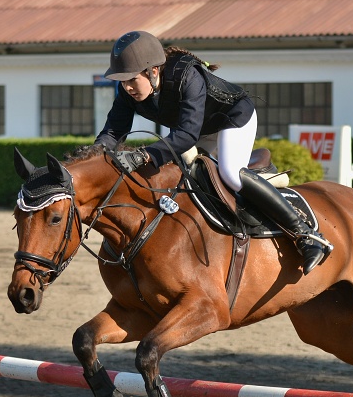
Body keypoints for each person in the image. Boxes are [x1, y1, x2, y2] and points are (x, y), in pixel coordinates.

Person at [94, 30, 331, 275]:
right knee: (174, 178)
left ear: (153, 71)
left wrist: (145, 155)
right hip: (197, 129)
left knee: (230, 174)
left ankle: (305, 234)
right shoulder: (128, 92)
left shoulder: (187, 75)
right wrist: (91, 157)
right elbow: (113, 132)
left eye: (132, 79)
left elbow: (186, 136)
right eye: (123, 81)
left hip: (232, 118)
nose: (127, 87)